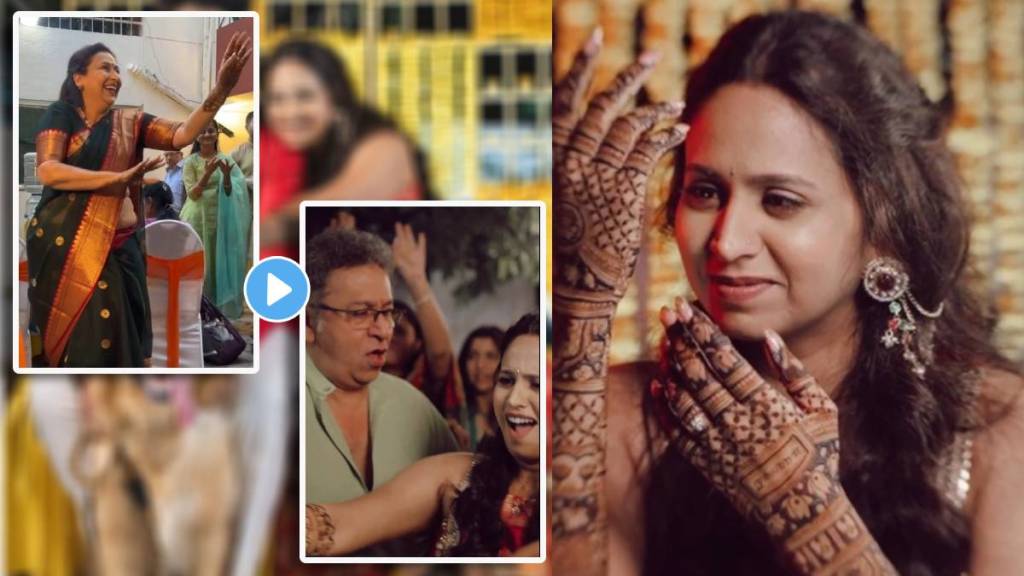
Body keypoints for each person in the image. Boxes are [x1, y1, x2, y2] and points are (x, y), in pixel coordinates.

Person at [552, 12, 1024, 576]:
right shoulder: (627, 413)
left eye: (779, 200)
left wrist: (805, 512)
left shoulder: (998, 428)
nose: (726, 241)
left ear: (883, 226)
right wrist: (581, 308)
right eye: (705, 192)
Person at [27, 36, 250, 367]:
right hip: (73, 248)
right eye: (105, 67)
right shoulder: (60, 115)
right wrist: (114, 180)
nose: (115, 75)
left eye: (117, 68)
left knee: (129, 333)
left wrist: (220, 91)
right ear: (79, 77)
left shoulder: (130, 122)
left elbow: (181, 134)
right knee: (92, 336)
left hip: (125, 246)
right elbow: (48, 170)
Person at [306, 313, 542, 557]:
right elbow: (344, 524)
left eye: (536, 384)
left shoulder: (579, 506)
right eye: (506, 380)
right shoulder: (460, 475)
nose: (514, 399)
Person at [304, 227, 458, 556]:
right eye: (360, 314)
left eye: (387, 312)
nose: (382, 331)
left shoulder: (415, 408)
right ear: (308, 320)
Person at [259, 40, 431, 249]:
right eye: (277, 99)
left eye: (305, 96)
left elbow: (318, 209)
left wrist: (244, 236)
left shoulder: (386, 145)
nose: (290, 111)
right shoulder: (297, 154)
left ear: (336, 98)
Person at [382, 223, 469, 447]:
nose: (389, 334)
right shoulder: (352, 377)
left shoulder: (424, 386)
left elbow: (441, 355)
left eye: (400, 331)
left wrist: (417, 281)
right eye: (385, 325)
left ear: (418, 344)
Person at [180, 120, 250, 319]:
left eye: (210, 130)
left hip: (220, 218)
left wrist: (226, 176)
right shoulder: (191, 162)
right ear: (197, 137)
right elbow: (192, 194)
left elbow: (232, 191)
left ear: (216, 133)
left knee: (217, 261)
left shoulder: (226, 159)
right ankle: (195, 308)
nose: (207, 134)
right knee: (199, 260)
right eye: (202, 131)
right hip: (196, 217)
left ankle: (215, 310)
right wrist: (208, 173)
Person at [459, 325, 505, 449]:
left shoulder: (516, 414)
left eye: (491, 356)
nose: (480, 365)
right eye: (472, 356)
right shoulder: (457, 417)